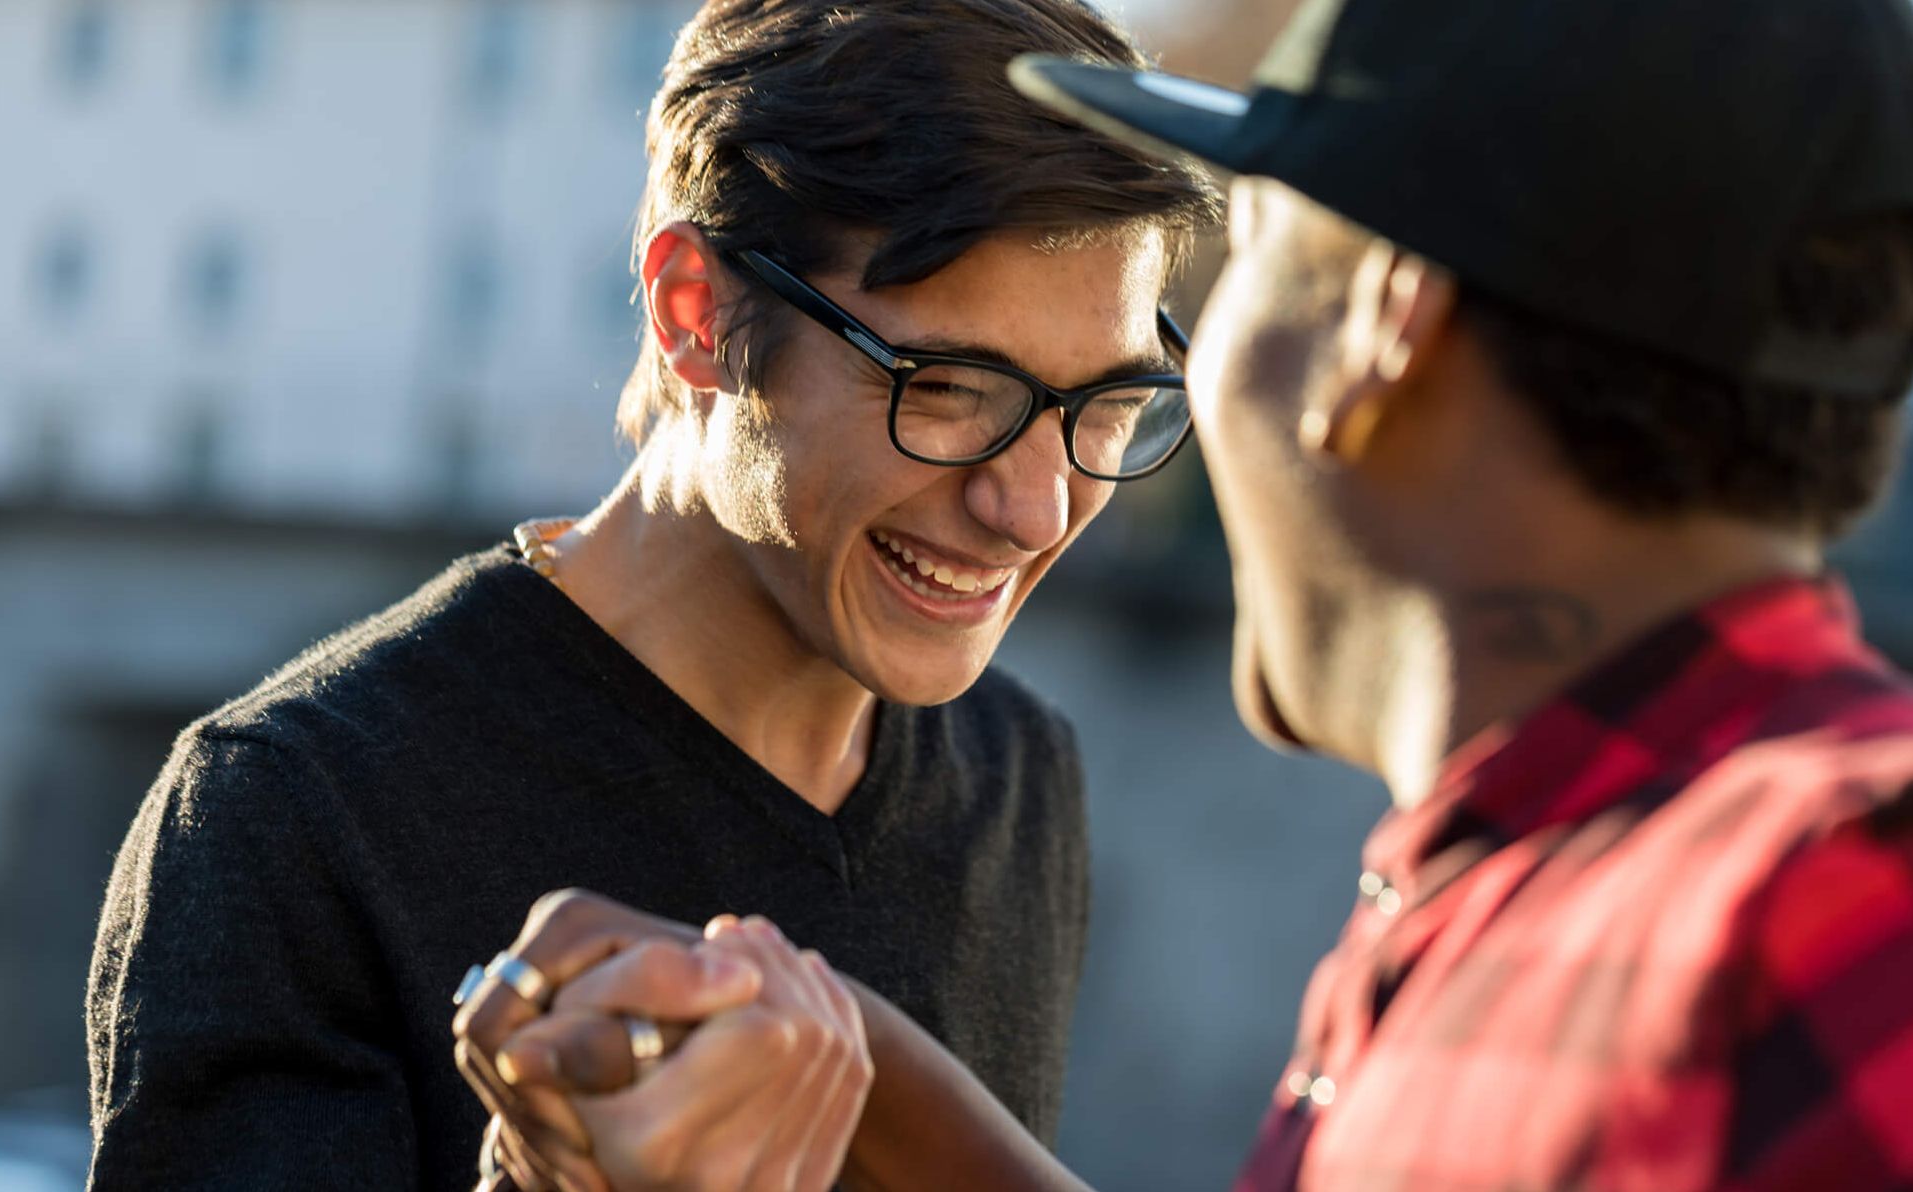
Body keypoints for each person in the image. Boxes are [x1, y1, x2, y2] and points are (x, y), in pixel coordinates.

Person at [458, 0, 1913, 1187]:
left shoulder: (1890, 898)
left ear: (1383, 324)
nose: (1041, 490)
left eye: (1248, 247)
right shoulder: (1534, 896)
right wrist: (857, 1069)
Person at [82, 0, 1219, 1185]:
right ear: (696, 313)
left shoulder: (1018, 772)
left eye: (1107, 406)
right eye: (948, 389)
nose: (1033, 508)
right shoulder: (295, 811)